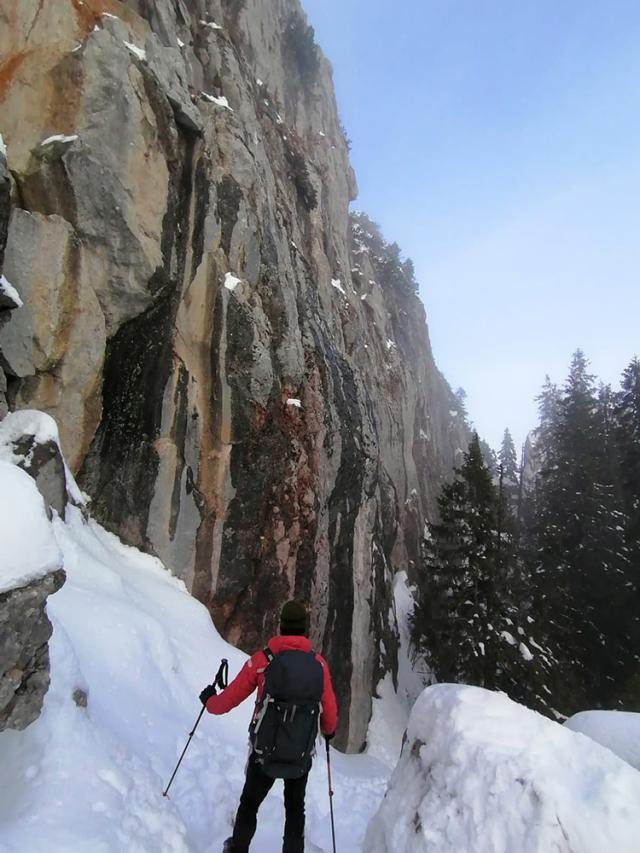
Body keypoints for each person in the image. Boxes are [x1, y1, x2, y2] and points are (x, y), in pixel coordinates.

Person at [200, 600, 338, 853]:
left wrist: (209, 701)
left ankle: (237, 848)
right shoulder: (318, 665)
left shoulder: (263, 661)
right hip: (299, 752)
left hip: (265, 750)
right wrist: (329, 732)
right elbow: (329, 713)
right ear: (305, 630)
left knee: (250, 802)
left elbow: (227, 701)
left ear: (282, 626)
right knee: (295, 808)